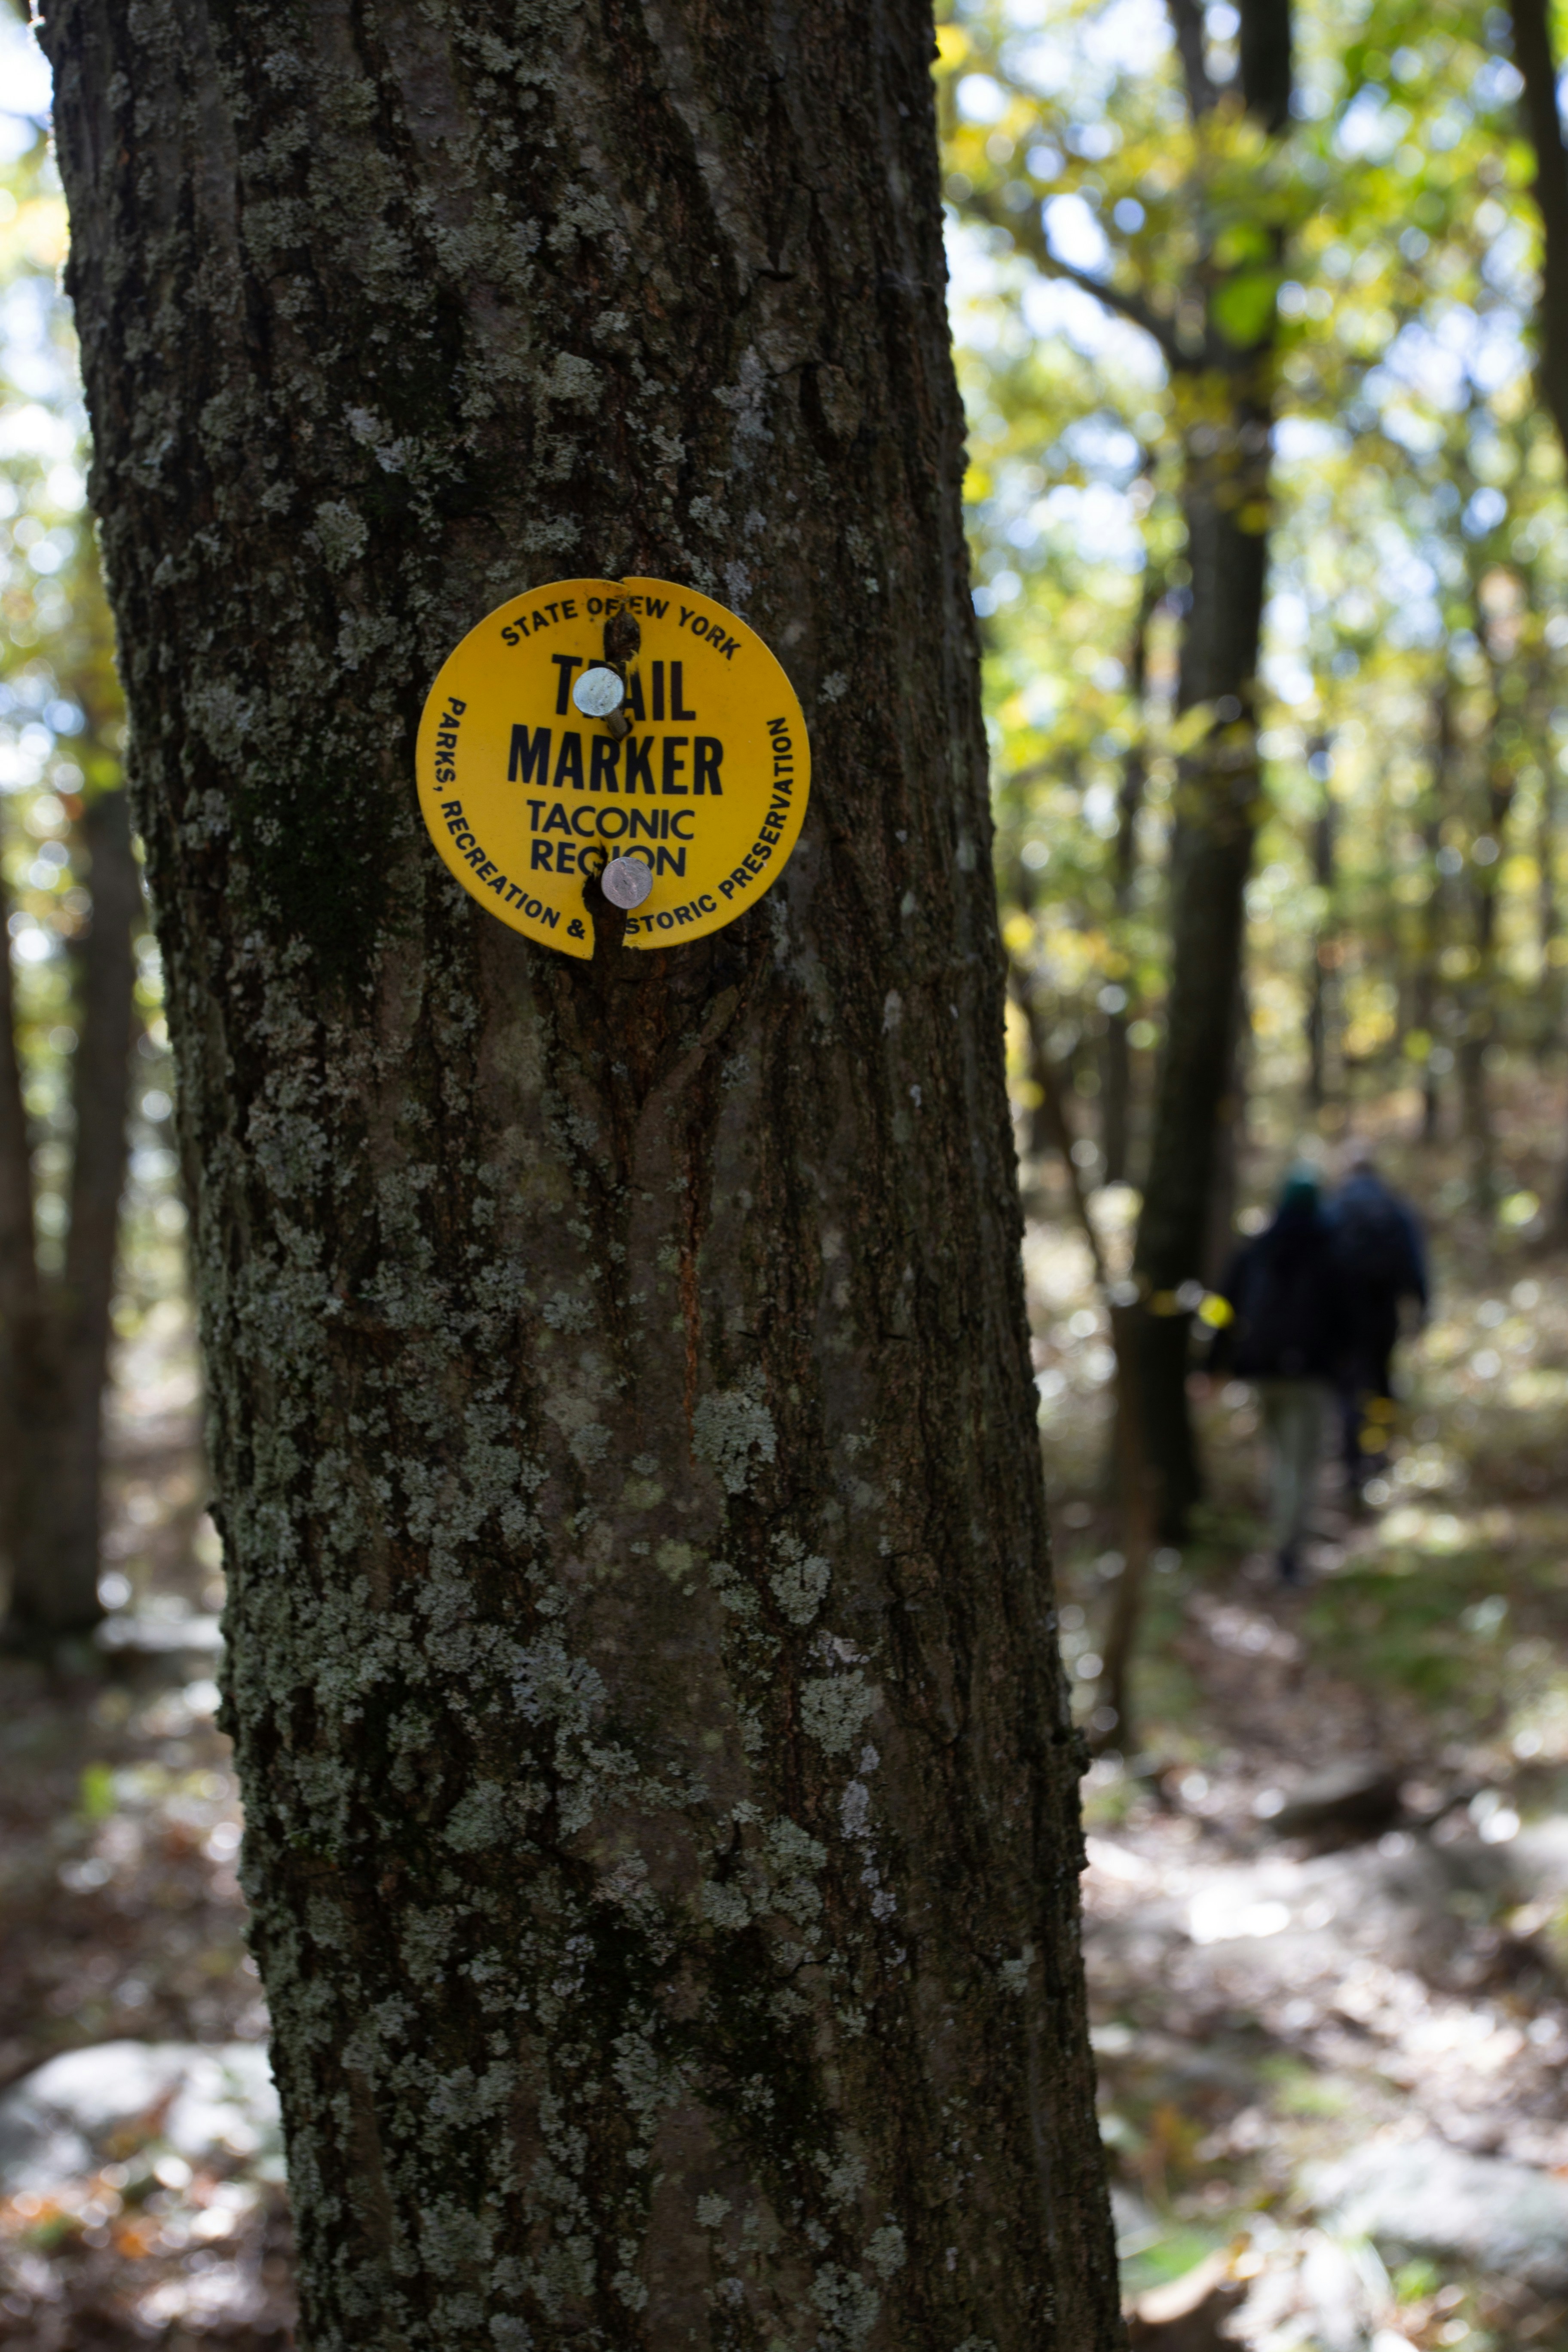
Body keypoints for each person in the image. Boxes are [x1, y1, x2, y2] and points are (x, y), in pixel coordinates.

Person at [1211, 1165, 1350, 1584]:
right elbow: (1348, 1321)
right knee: (1302, 1467)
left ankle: (1281, 1544)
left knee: (1279, 1462)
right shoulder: (1332, 1252)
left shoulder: (1256, 1249)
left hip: (1262, 1374)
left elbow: (1224, 1310)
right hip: (1309, 1378)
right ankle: (1288, 1554)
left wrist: (1212, 1366)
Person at [1326, 1140, 1427, 1506]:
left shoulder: (1335, 1208)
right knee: (1382, 1382)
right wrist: (1422, 1310)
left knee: (1350, 1388)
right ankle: (1379, 1455)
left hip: (1343, 1317)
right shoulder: (1394, 1208)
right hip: (1385, 1313)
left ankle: (1352, 1464)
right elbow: (1416, 1264)